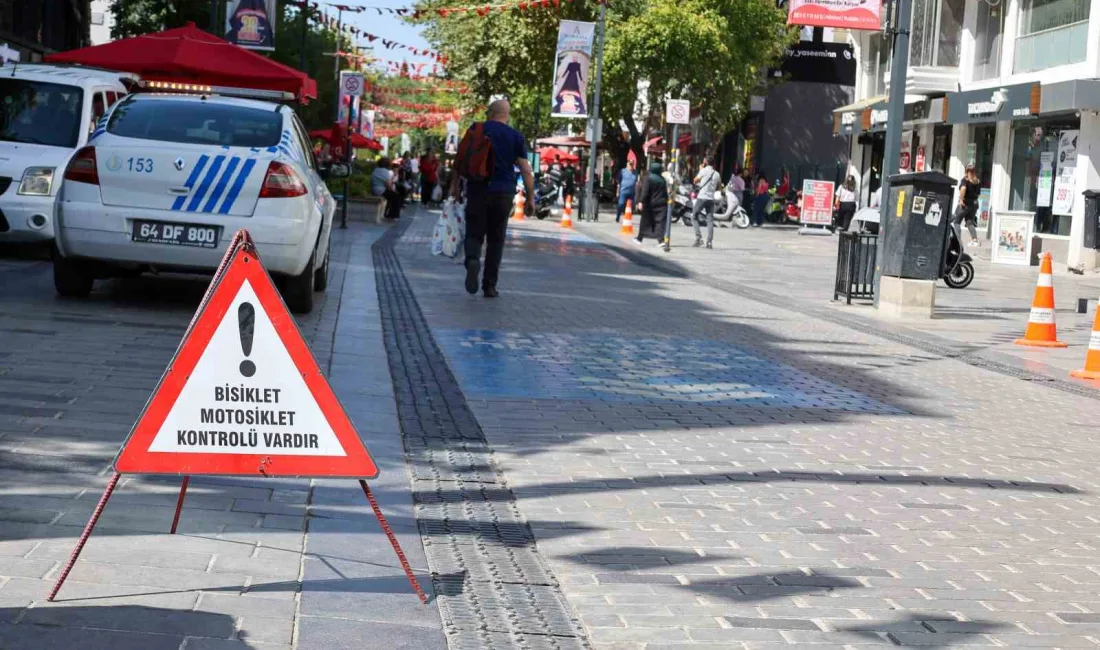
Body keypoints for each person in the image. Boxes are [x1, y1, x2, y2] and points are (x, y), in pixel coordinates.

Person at [450, 98, 534, 298]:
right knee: (496, 239)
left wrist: (454, 186)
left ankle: (472, 260)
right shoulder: (515, 136)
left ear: (490, 112)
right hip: (503, 192)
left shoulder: (476, 129)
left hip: (478, 188)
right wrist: (530, 197)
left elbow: (459, 159)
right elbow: (525, 169)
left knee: (474, 232)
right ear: (507, 115)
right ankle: (489, 285)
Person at [634, 160, 668, 246]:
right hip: (662, 204)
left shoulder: (648, 179)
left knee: (645, 222)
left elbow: (645, 192)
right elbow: (665, 193)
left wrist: (640, 201)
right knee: (660, 223)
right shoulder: (662, 180)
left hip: (650, 204)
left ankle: (640, 238)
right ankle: (661, 240)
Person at [691, 156, 721, 248]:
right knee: (710, 220)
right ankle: (709, 242)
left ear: (706, 162)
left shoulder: (703, 171)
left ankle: (698, 238)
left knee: (694, 216)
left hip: (702, 197)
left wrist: (700, 169)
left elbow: (695, 180)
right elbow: (719, 186)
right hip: (711, 198)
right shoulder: (717, 174)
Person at [955, 164, 981, 246]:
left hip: (965, 204)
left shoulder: (965, 180)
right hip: (974, 204)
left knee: (956, 222)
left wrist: (961, 199)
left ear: (966, 171)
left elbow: (963, 188)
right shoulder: (977, 181)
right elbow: (978, 194)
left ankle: (957, 241)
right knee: (970, 222)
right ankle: (974, 240)